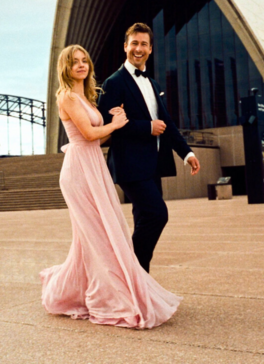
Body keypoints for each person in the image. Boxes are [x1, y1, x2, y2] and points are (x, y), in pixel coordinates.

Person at [40, 44, 182, 329]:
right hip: (79, 171)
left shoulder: (87, 98)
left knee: (96, 236)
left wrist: (119, 121)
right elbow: (91, 134)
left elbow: (99, 139)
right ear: (65, 68)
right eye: (74, 62)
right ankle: (107, 297)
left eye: (84, 61)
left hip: (94, 166)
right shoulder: (67, 97)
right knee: (99, 235)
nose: (80, 65)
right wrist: (116, 125)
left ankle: (75, 290)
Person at [98, 23, 200, 273]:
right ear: (125, 46)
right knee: (157, 215)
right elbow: (106, 124)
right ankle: (129, 271)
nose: (138, 48)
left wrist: (187, 153)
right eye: (134, 43)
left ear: (151, 49)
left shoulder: (153, 84)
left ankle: (138, 283)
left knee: (144, 220)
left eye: (144, 44)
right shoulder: (114, 82)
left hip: (153, 165)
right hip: (129, 165)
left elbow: (167, 124)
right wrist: (147, 127)